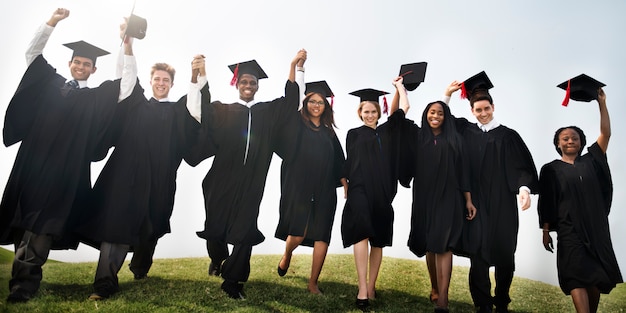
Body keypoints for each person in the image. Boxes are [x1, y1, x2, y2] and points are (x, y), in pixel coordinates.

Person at [0, 8, 137, 303]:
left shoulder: (96, 98)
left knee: (42, 226)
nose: (81, 66)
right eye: (77, 62)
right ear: (70, 63)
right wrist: (52, 23)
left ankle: (22, 286)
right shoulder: (50, 85)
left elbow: (126, 84)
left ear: (93, 69)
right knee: (25, 225)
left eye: (87, 64)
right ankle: (21, 277)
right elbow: (32, 54)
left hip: (65, 175)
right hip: (31, 167)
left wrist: (127, 44)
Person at [76, 19, 210, 299]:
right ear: (150, 82)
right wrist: (128, 44)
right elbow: (125, 78)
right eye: (157, 79)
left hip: (159, 180)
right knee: (117, 224)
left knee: (151, 227)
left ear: (172, 84)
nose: (161, 83)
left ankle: (140, 265)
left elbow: (196, 112)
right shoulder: (135, 103)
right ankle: (105, 283)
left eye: (166, 80)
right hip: (125, 176)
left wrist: (197, 80)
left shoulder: (177, 112)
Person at [189, 50, 306, 299]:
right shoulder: (223, 110)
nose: (248, 86)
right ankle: (219, 258)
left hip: (252, 183)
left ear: (257, 86)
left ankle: (233, 282)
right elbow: (199, 111)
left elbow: (292, 103)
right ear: (237, 84)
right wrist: (201, 75)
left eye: (252, 83)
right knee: (215, 225)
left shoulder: (267, 112)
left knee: (245, 230)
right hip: (220, 181)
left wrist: (295, 66)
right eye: (244, 82)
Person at [443, 71, 538, 313]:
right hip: (475, 203)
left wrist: (524, 189)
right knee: (478, 254)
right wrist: (447, 96)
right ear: (472, 111)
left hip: (503, 204)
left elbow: (522, 166)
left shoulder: (508, 136)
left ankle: (502, 300)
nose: (483, 113)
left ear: (493, 107)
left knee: (505, 253)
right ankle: (483, 304)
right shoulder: (466, 131)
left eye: (486, 108)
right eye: (478, 110)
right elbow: (443, 120)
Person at [538, 76, 622, 313]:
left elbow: (606, 134)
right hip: (569, 230)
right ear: (558, 144)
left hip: (596, 229)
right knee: (575, 276)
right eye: (565, 138)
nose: (570, 141)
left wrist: (601, 104)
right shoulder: (551, 169)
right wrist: (546, 230)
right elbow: (547, 202)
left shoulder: (592, 160)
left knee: (595, 279)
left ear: (581, 142)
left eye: (574, 138)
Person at [393, 75, 476, 313]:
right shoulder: (417, 137)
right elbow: (398, 118)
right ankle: (435, 287)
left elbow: (463, 172)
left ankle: (444, 299)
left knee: (445, 244)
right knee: (431, 244)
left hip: (449, 197)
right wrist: (400, 89)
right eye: (432, 113)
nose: (436, 116)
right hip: (424, 197)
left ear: (445, 117)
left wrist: (468, 200)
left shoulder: (455, 140)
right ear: (425, 115)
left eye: (440, 113)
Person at [274, 79, 346, 295]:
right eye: (312, 101)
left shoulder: (329, 132)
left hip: (324, 187)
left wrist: (343, 181)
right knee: (298, 232)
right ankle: (287, 254)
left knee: (323, 234)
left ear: (326, 106)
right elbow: (291, 102)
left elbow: (339, 160)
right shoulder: (297, 125)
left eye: (321, 102)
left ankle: (313, 282)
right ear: (305, 103)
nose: (316, 105)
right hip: (300, 185)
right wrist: (297, 68)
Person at [341, 83, 404, 312]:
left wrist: (399, 88)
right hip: (359, 189)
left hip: (383, 192)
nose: (369, 115)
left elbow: (402, 110)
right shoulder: (353, 134)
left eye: (373, 111)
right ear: (360, 113)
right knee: (361, 232)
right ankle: (362, 289)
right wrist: (344, 182)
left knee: (378, 238)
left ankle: (371, 285)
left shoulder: (387, 131)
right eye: (365, 111)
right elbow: (349, 162)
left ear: (379, 112)